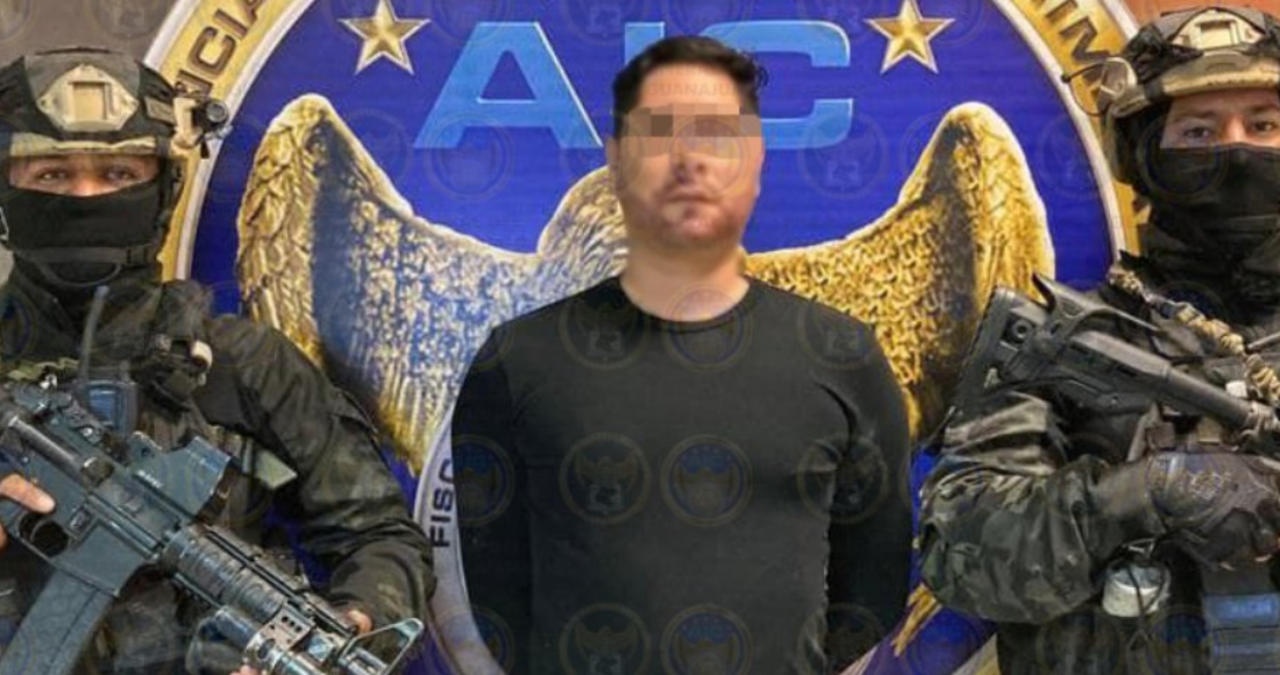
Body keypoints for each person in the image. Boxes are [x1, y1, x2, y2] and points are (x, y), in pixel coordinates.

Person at [453, 35, 912, 674]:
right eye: (658, 133)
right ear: (616, 161)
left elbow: (873, 588)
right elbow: (498, 595)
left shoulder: (842, 356)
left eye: (716, 135)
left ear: (756, 160)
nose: (688, 158)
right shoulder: (515, 363)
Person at [0, 47, 434, 674]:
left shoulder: (241, 366)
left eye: (118, 173)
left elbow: (381, 538)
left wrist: (349, 625)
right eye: (51, 175)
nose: (86, 196)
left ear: (165, 188)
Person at [919, 6, 1280, 673]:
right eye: (1198, 131)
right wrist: (1143, 493)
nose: (1236, 152)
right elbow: (963, 560)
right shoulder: (1065, 342)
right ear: (1145, 157)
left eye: (1264, 125)